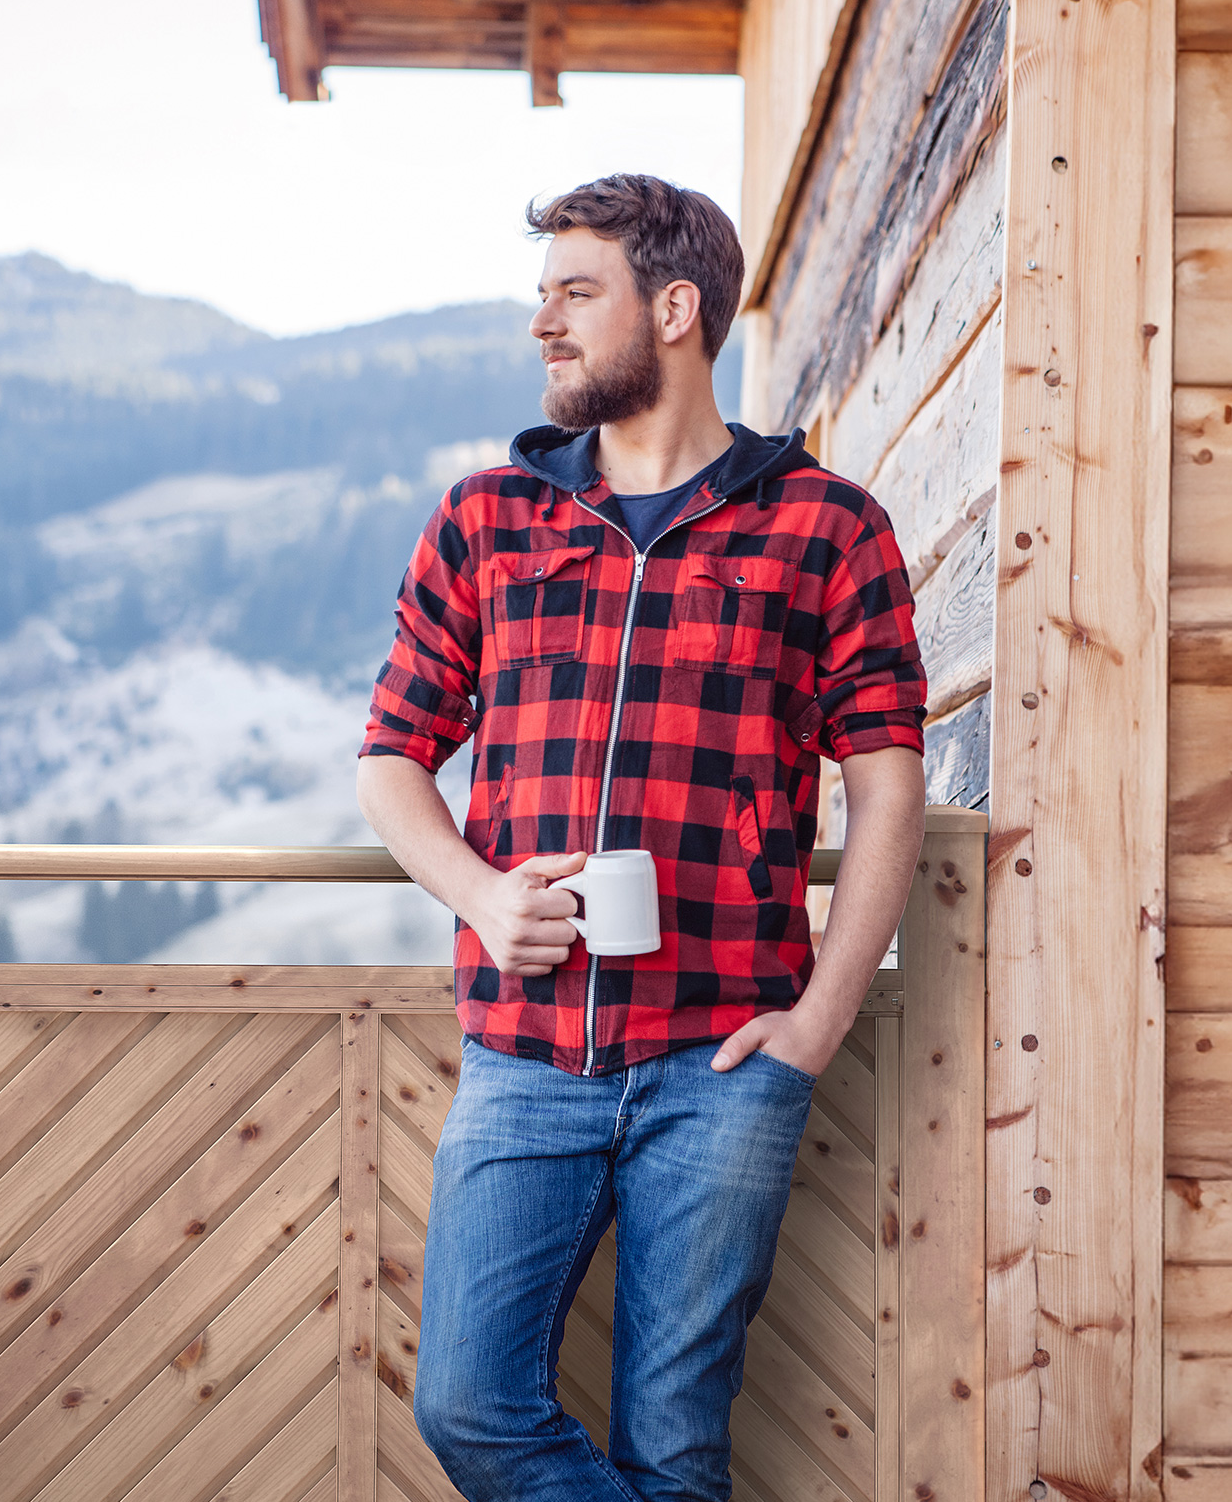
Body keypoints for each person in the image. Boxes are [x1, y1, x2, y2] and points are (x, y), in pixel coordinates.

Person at [355, 174, 928, 1502]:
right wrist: (483, 897)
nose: (541, 323)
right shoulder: (488, 519)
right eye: (541, 293)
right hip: (524, 1052)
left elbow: (886, 783)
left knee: (677, 1447)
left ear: (675, 309)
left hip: (725, 1057)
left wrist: (818, 1024)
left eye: (574, 292)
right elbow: (392, 760)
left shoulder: (827, 527)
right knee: (470, 1409)